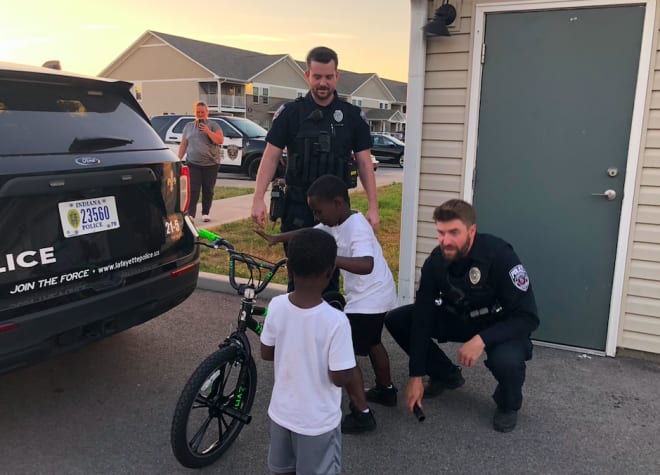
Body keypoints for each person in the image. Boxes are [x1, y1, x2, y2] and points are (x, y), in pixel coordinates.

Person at [256, 174, 398, 434]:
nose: (317, 216)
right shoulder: (333, 224)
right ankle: (386, 389)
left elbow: (366, 264)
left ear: (337, 203)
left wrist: (330, 259)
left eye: (318, 211)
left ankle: (362, 413)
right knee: (373, 342)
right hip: (373, 294)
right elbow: (310, 233)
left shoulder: (356, 226)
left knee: (348, 354)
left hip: (371, 296)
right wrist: (279, 238)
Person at [385, 199, 539, 432]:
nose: (446, 241)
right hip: (460, 318)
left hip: (499, 324)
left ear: (471, 230)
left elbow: (527, 317)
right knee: (399, 320)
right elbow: (423, 317)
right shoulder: (436, 262)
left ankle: (508, 403)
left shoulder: (499, 256)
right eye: (441, 233)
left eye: (454, 232)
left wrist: (482, 340)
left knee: (507, 360)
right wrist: (415, 374)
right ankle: (445, 375)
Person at [250, 46, 379, 291]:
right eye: (317, 76)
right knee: (298, 275)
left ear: (336, 76)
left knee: (330, 276)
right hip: (298, 206)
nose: (323, 83)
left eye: (328, 77)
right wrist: (258, 198)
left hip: (337, 211)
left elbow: (364, 162)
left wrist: (373, 206)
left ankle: (328, 323)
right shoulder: (291, 113)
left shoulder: (351, 116)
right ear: (307, 75)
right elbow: (270, 157)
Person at [260, 228, 355, 475]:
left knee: (282, 470)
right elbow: (339, 377)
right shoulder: (336, 321)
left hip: (281, 415)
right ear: (330, 271)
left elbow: (266, 352)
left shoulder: (276, 305)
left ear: (289, 268)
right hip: (317, 424)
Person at [178, 101, 224, 222]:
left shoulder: (214, 125)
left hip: (211, 163)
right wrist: (178, 159)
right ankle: (191, 214)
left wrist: (208, 131)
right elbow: (184, 144)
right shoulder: (188, 126)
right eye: (198, 112)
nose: (200, 114)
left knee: (208, 189)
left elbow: (220, 140)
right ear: (195, 113)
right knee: (193, 189)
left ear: (207, 112)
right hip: (193, 163)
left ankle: (205, 213)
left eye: (202, 112)